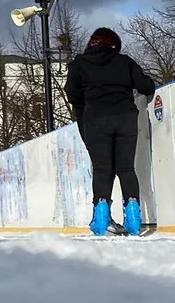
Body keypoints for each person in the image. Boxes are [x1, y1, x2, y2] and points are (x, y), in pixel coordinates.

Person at [64, 27, 156, 237]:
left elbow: (71, 93)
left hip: (95, 119)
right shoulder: (125, 62)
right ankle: (133, 215)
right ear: (114, 44)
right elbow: (145, 86)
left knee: (102, 169)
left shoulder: (79, 64)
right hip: (125, 117)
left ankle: (101, 215)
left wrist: (87, 104)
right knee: (126, 168)